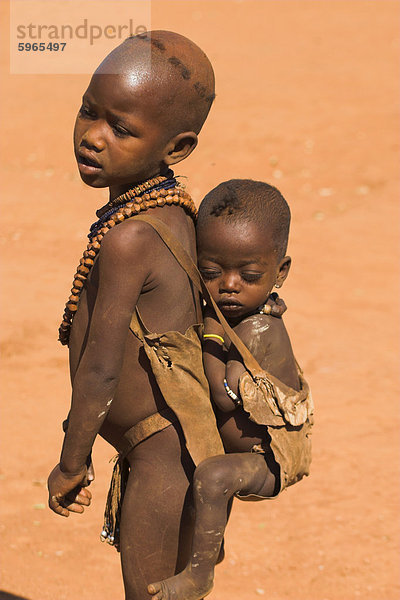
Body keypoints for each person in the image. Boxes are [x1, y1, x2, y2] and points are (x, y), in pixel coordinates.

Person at [47, 30, 226, 600]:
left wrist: (72, 463)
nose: (94, 137)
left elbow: (100, 370)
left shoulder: (129, 238)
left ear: (176, 149)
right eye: (88, 112)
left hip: (160, 459)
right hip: (172, 450)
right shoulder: (173, 212)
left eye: (121, 129)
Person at [148, 179, 314, 600]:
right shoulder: (236, 314)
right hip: (238, 445)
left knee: (214, 474)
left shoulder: (257, 330)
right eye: (211, 273)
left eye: (250, 275)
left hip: (270, 459)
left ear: (281, 272)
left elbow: (223, 395)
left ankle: (199, 575)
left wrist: (209, 335)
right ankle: (211, 540)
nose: (229, 285)